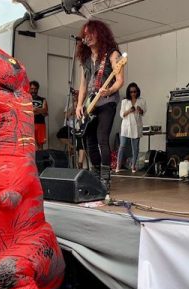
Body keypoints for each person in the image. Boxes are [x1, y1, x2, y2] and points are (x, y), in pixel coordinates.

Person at [75, 20, 124, 191]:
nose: (87, 37)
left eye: (91, 33)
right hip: (91, 103)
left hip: (107, 102)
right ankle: (95, 175)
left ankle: (105, 178)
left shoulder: (113, 55)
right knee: (89, 140)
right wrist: (79, 105)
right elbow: (83, 84)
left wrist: (109, 90)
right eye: (85, 34)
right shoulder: (86, 59)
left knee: (102, 138)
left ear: (100, 33)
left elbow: (120, 81)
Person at [117, 82, 146, 173]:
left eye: (135, 91)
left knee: (135, 148)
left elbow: (143, 112)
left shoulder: (141, 100)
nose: (133, 93)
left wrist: (140, 110)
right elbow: (122, 114)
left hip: (136, 126)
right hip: (126, 126)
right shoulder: (124, 101)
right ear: (128, 92)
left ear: (137, 91)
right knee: (122, 146)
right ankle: (118, 165)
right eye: (131, 92)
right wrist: (129, 111)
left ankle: (133, 166)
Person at [29, 80, 48, 150]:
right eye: (32, 89)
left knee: (40, 145)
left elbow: (45, 111)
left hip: (40, 124)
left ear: (37, 89)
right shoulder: (26, 99)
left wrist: (34, 110)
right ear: (29, 89)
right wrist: (40, 110)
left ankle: (40, 160)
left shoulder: (43, 99)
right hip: (29, 125)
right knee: (30, 145)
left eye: (35, 89)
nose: (33, 90)